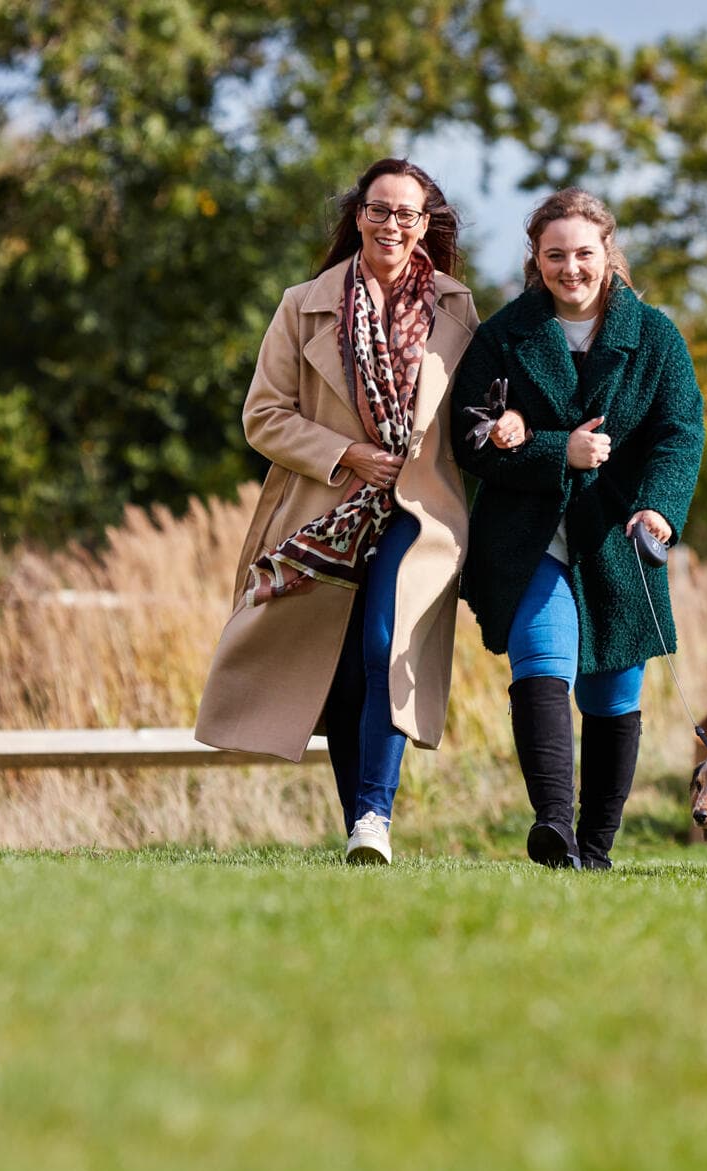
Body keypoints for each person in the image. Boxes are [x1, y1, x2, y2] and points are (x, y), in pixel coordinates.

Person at [195, 159, 479, 865]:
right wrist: (347, 453)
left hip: (420, 513)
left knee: (387, 643)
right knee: (344, 672)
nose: (391, 225)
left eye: (406, 214)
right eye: (379, 210)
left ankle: (373, 818)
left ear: (424, 224)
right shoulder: (304, 304)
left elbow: (478, 406)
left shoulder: (456, 306)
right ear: (357, 216)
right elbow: (263, 416)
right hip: (327, 510)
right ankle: (362, 822)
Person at [451, 188, 704, 870]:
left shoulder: (655, 336)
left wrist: (659, 507)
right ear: (536, 259)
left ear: (608, 255)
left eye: (584, 254)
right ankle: (554, 828)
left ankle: (595, 849)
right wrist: (551, 450)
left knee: (614, 696)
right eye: (555, 254)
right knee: (541, 665)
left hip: (617, 539)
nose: (571, 268)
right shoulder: (504, 335)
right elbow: (468, 439)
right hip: (528, 540)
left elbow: (680, 436)